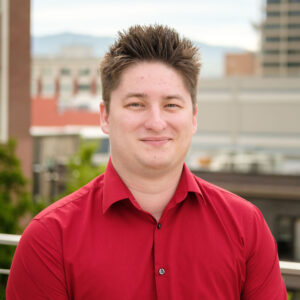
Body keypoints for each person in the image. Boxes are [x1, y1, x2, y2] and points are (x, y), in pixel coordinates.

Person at [7, 25, 287, 300]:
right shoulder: (49, 239)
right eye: (136, 104)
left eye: (171, 105)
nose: (156, 122)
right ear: (105, 117)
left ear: (193, 117)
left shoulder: (246, 227)